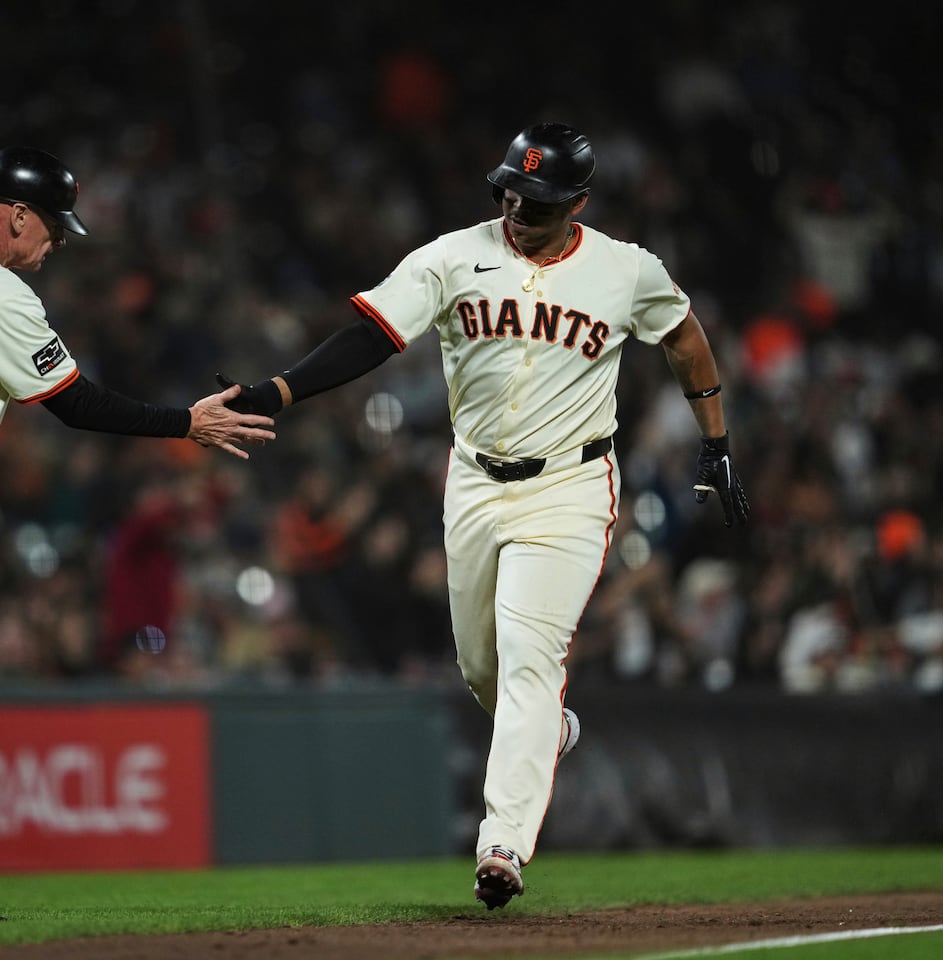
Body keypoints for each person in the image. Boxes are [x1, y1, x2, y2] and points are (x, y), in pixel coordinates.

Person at [218, 122, 750, 910]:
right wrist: (279, 391)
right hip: (473, 483)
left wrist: (716, 442)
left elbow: (685, 337)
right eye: (510, 192)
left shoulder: (626, 270)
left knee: (530, 655)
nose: (517, 209)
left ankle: (502, 843)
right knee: (480, 668)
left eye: (537, 201)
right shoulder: (452, 256)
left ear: (577, 203)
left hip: (569, 488)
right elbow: (371, 336)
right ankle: (548, 731)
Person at [0, 146, 275, 923]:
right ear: (17, 215)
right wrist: (183, 423)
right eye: (53, 228)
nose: (57, 243)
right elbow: (75, 403)